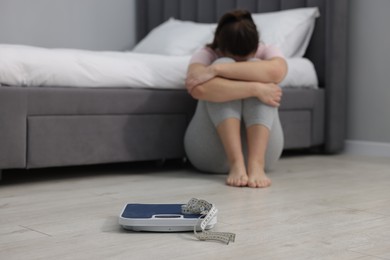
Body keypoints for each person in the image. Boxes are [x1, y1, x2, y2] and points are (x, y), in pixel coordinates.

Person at [184, 9, 287, 188]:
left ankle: (256, 164)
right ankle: (236, 163)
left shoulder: (267, 51)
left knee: (255, 68)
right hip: (210, 154)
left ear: (256, 47)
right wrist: (256, 88)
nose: (240, 61)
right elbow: (197, 88)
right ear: (220, 49)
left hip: (266, 157)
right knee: (225, 64)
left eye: (246, 57)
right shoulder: (207, 54)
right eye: (234, 57)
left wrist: (216, 71)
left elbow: (277, 72)